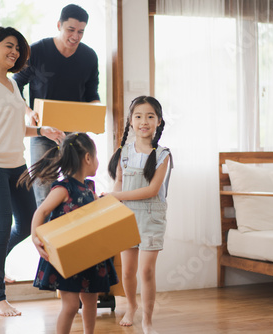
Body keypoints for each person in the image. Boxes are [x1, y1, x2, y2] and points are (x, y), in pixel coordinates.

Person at [0, 26, 65, 317]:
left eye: (18, 48)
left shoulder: (12, 84)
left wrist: (41, 130)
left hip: (16, 164)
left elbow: (16, 126)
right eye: (9, 45)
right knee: (0, 227)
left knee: (27, 222)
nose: (15, 52)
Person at [18, 132, 118, 334]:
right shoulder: (63, 188)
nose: (97, 161)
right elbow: (42, 211)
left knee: (90, 302)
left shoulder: (90, 188)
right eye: (96, 156)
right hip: (67, 257)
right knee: (71, 305)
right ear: (88, 158)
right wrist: (35, 237)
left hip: (90, 256)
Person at [13, 4, 100, 208]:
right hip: (44, 133)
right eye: (70, 30)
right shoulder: (37, 51)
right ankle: (45, 238)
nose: (75, 36)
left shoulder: (89, 57)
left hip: (75, 136)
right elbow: (15, 84)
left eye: (81, 32)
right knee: (44, 195)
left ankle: (70, 238)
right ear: (59, 25)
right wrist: (28, 111)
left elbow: (92, 94)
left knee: (77, 194)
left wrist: (94, 113)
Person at [106, 96, 173, 334]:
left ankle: (147, 320)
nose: (144, 121)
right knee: (126, 271)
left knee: (146, 271)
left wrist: (118, 196)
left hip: (151, 217)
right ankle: (131, 306)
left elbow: (152, 190)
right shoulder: (123, 153)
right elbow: (120, 185)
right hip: (127, 218)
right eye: (138, 116)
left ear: (158, 121)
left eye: (150, 116)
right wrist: (111, 199)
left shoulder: (163, 154)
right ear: (130, 122)